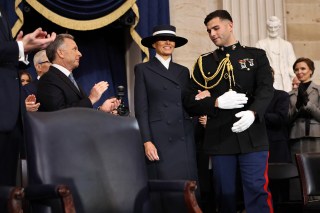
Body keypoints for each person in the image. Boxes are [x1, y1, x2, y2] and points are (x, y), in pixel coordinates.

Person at [183, 10, 274, 213]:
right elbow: (189, 101)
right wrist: (215, 103)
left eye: (216, 28)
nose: (213, 34)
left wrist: (253, 113)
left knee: (257, 192)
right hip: (220, 136)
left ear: (230, 25)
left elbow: (266, 89)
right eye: (209, 31)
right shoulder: (204, 62)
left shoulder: (256, 55)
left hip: (253, 135)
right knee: (224, 195)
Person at [134, 25, 198, 213]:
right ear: (154, 44)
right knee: (165, 190)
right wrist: (146, 141)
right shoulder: (143, 69)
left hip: (183, 136)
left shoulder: (183, 71)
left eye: (171, 40)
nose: (168, 43)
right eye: (163, 39)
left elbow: (188, 103)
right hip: (160, 138)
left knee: (187, 188)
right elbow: (141, 109)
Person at [0, 6, 56, 212]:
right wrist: (19, 47)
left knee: (7, 193)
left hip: (9, 116)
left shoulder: (3, 13)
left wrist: (24, 49)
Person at [37, 33, 120, 112]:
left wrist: (101, 110)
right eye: (74, 49)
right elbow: (58, 114)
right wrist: (91, 99)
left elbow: (79, 113)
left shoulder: (68, 78)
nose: (80, 54)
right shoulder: (48, 79)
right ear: (60, 53)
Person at [256, 16, 297, 92]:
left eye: (275, 27)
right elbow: (258, 64)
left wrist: (294, 77)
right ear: (267, 27)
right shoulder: (260, 44)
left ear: (279, 27)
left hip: (284, 79)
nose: (273, 30)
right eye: (270, 27)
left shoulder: (287, 45)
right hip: (268, 79)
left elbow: (292, 64)